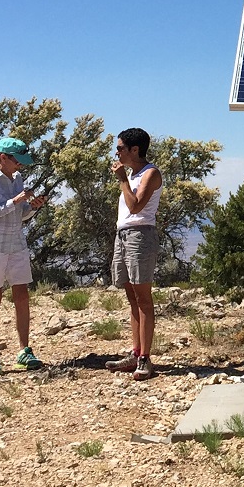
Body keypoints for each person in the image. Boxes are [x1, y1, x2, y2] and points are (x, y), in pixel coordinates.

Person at [0, 137, 47, 375]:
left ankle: (24, 351)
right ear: (3, 157)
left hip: (16, 242)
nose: (20, 166)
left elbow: (19, 214)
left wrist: (32, 207)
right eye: (17, 161)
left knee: (22, 294)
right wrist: (15, 200)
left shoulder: (17, 178)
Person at [106, 127, 162, 381]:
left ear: (134, 149)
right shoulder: (132, 174)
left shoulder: (150, 174)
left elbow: (136, 206)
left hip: (140, 236)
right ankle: (136, 351)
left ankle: (145, 358)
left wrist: (121, 180)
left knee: (143, 298)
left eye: (120, 148)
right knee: (131, 297)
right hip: (123, 235)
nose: (117, 152)